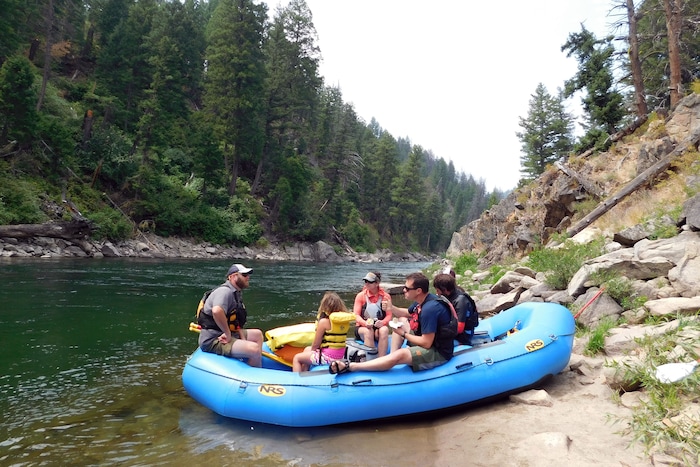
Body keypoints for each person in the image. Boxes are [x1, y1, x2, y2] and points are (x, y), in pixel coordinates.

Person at [329, 272, 455, 374]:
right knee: (400, 322)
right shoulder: (422, 300)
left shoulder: (430, 309)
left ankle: (352, 366)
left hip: (438, 351)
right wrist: (391, 308)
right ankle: (389, 358)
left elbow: (426, 343)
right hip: (427, 340)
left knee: (400, 352)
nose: (404, 290)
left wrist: (404, 334)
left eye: (407, 288)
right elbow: (406, 313)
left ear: (418, 291)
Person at [197, 263, 263, 367]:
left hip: (228, 333)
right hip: (213, 339)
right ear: (232, 277)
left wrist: (242, 338)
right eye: (244, 275)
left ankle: (254, 364)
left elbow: (235, 322)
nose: (248, 277)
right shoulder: (225, 292)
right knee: (254, 348)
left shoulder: (236, 293)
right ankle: (253, 375)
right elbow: (217, 311)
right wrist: (227, 334)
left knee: (257, 334)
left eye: (247, 275)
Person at [292, 292, 351, 372]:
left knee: (297, 358)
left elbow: (315, 345)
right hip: (340, 355)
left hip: (328, 358)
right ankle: (304, 374)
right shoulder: (344, 322)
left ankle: (296, 381)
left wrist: (314, 350)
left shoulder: (324, 322)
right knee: (306, 350)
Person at [353, 271, 393, 357]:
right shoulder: (360, 296)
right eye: (365, 281)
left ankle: (381, 359)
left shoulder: (385, 297)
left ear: (377, 283)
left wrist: (383, 323)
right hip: (362, 327)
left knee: (385, 330)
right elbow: (356, 315)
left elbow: (389, 315)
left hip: (378, 326)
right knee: (368, 331)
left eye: (370, 282)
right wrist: (365, 323)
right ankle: (370, 359)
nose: (367, 283)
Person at [433, 273, 479, 345]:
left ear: (445, 290)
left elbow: (459, 328)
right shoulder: (449, 293)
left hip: (464, 335)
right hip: (452, 327)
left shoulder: (460, 301)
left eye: (438, 290)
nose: (437, 293)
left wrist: (438, 333)